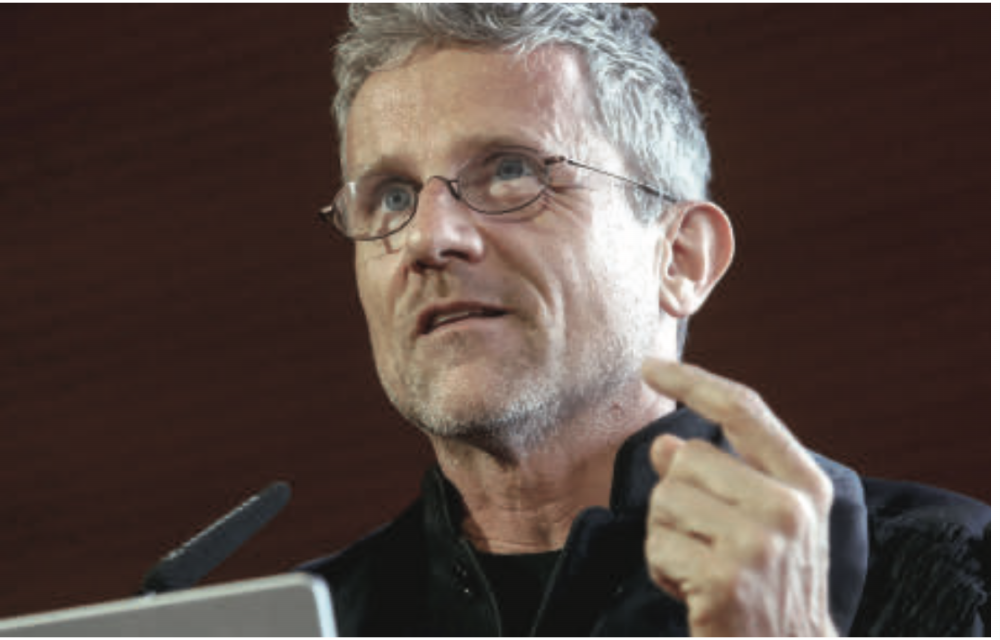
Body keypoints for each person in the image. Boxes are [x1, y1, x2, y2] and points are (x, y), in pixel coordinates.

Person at [301, 4, 989, 636]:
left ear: (682, 257)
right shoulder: (300, 620)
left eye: (510, 171)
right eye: (392, 197)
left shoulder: (951, 571)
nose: (427, 239)